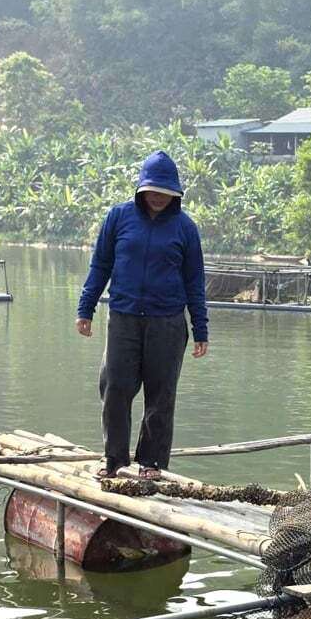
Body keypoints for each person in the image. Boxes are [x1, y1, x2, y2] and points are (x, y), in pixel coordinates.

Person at [75, 151, 209, 478]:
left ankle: (151, 462)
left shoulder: (185, 228)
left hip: (168, 322)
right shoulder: (118, 218)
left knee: (161, 394)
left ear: (175, 193)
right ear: (140, 189)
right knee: (115, 387)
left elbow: (194, 281)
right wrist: (85, 308)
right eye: (153, 191)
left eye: (165, 192)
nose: (159, 197)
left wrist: (200, 329)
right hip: (124, 317)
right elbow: (100, 265)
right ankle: (114, 460)